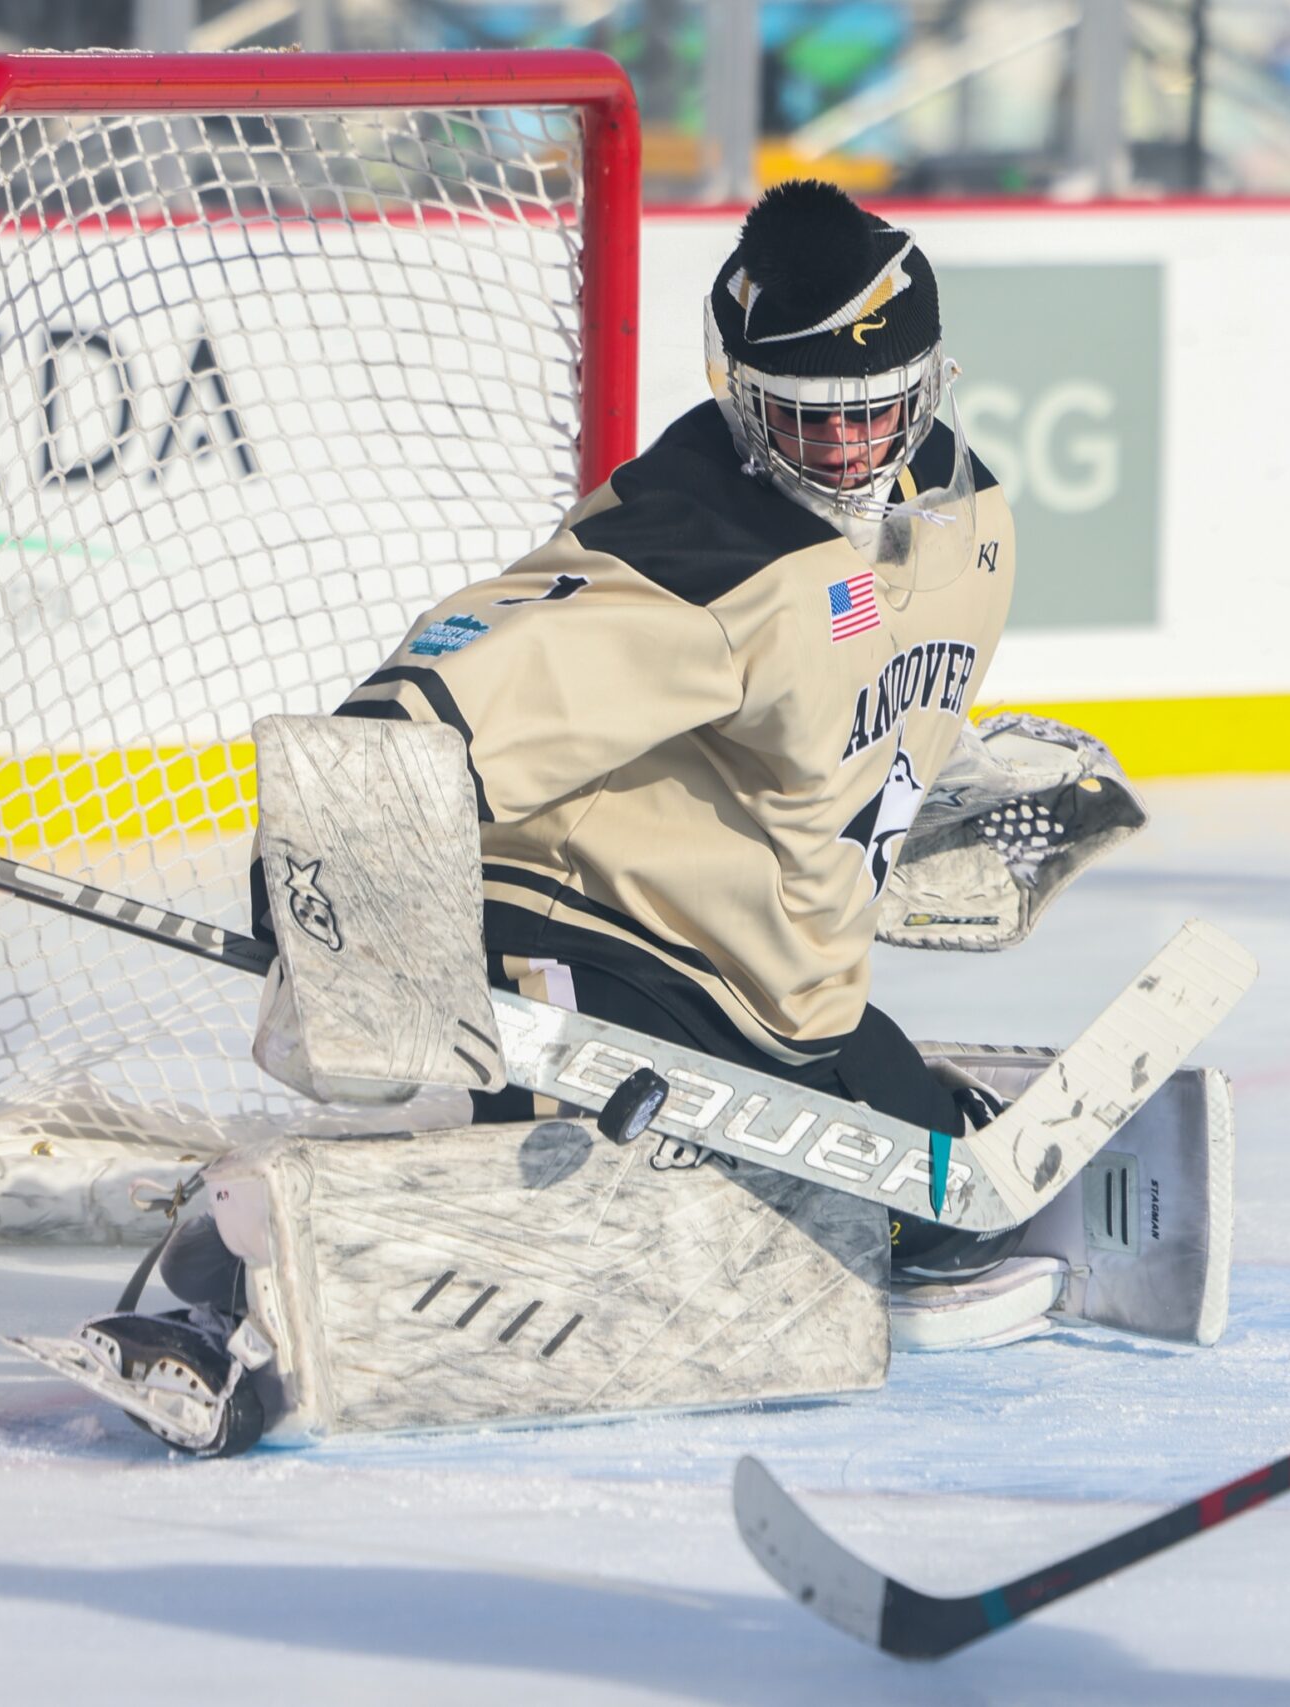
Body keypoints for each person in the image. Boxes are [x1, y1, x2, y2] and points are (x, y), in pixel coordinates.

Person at [332, 180, 1019, 1279]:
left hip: (768, 986)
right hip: (585, 940)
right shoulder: (698, 546)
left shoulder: (965, 508)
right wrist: (333, 862)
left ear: (929, 385)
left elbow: (863, 684)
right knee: (569, 1243)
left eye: (874, 409)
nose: (845, 446)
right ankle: (244, 1271)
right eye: (804, 415)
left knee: (947, 1215)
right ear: (742, 395)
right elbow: (471, 676)